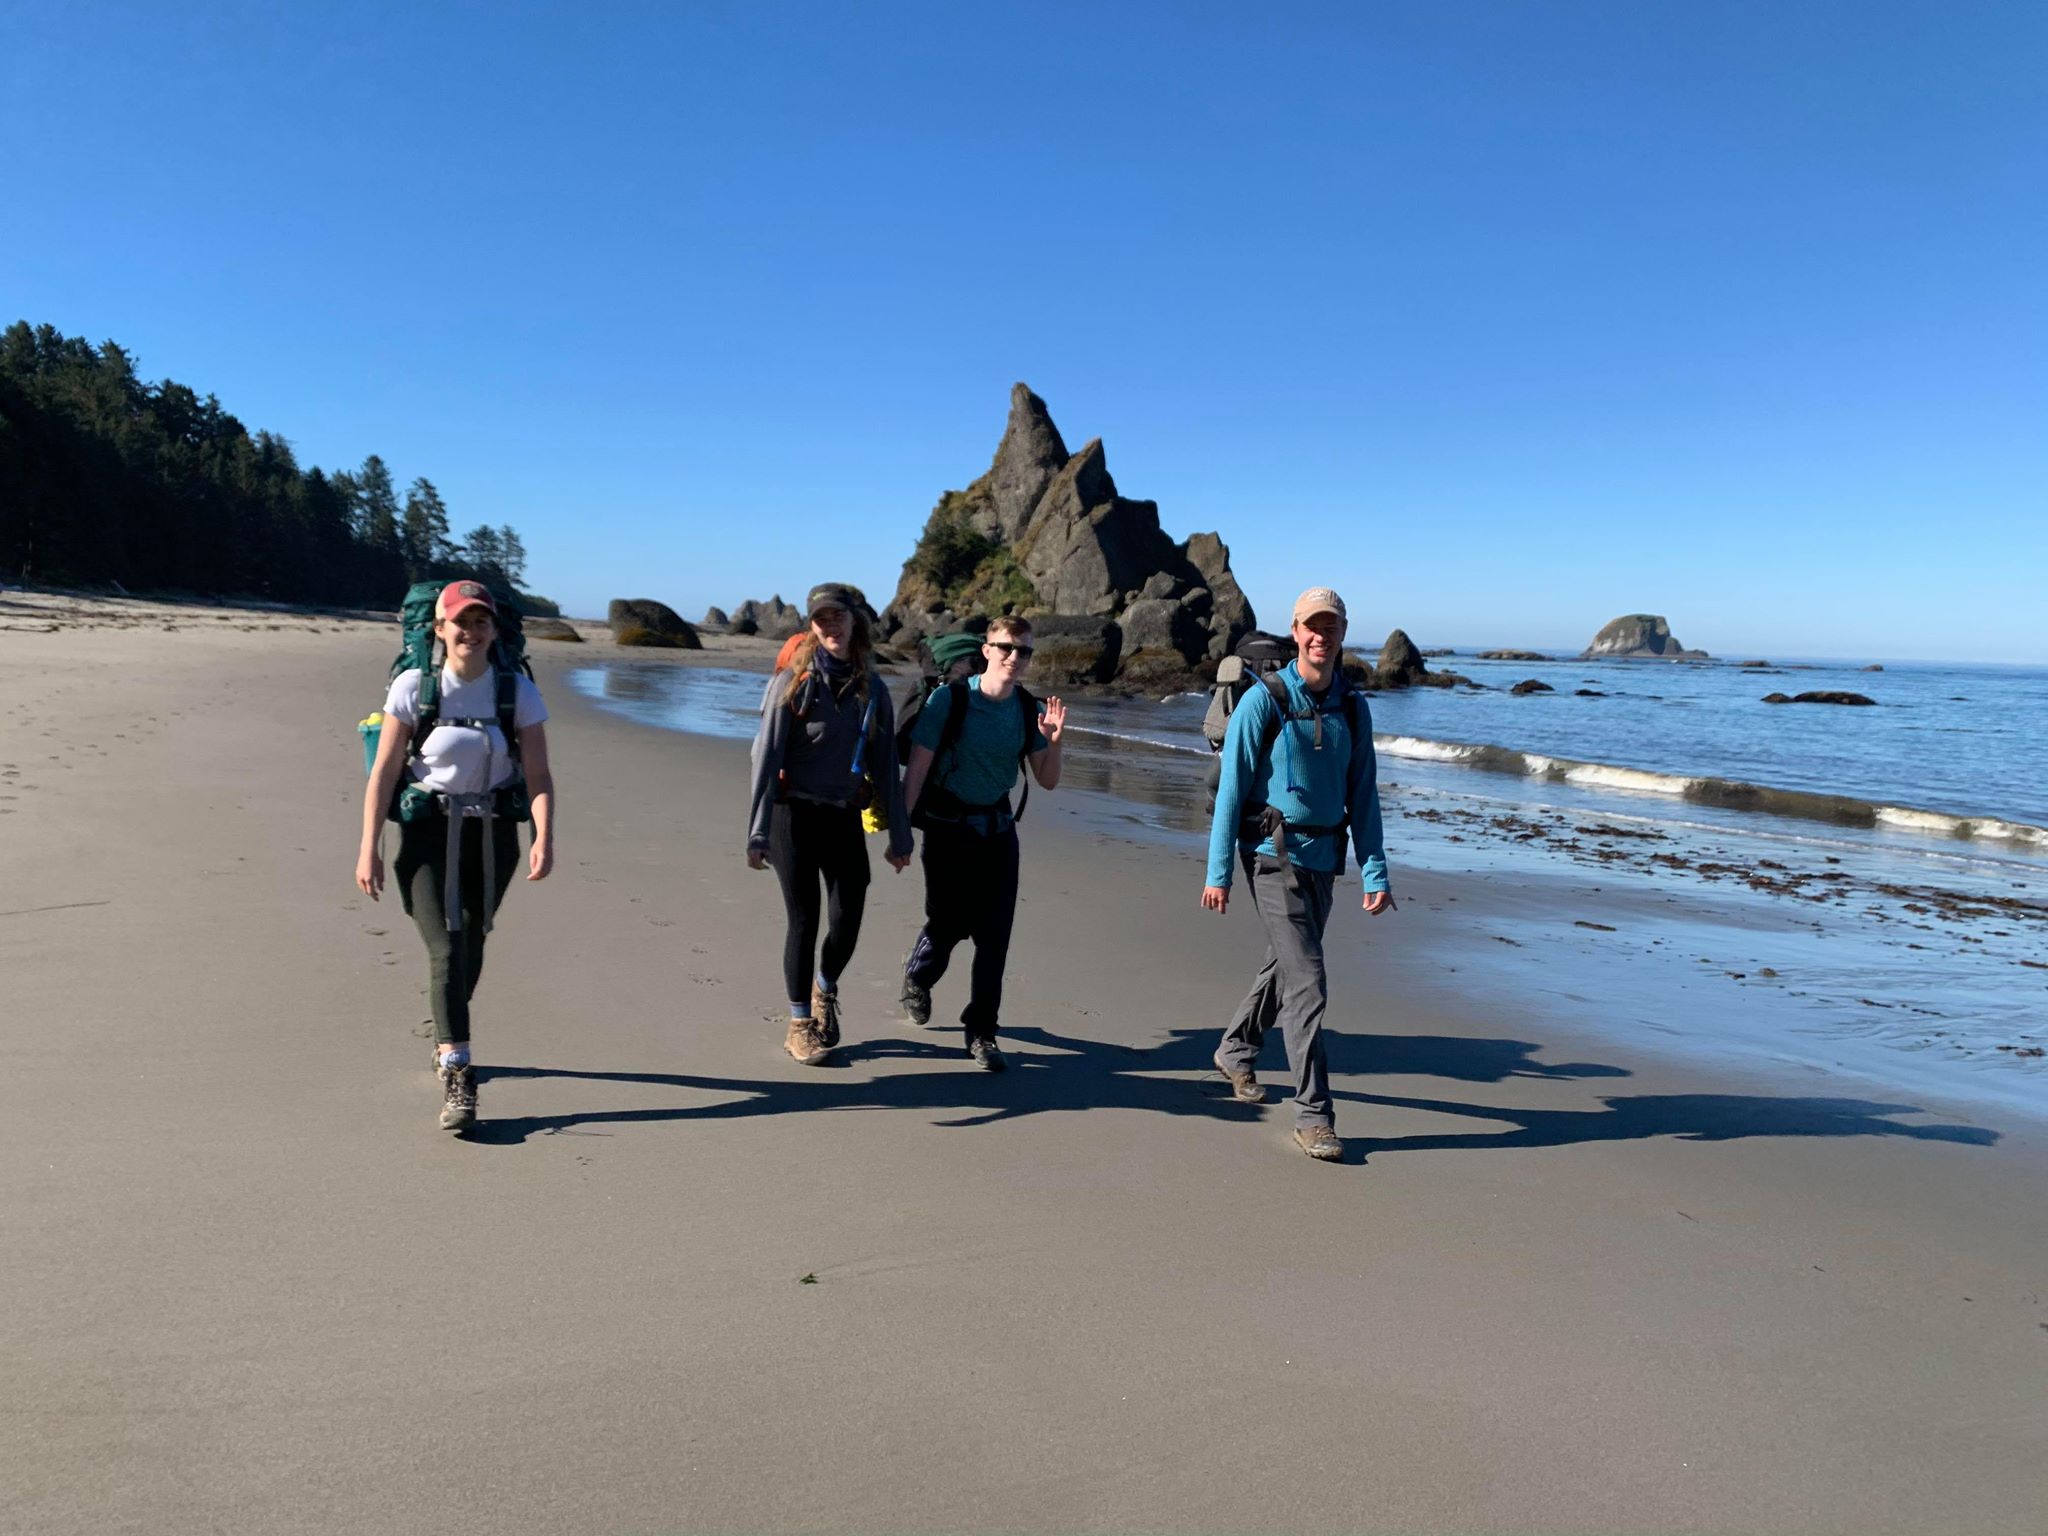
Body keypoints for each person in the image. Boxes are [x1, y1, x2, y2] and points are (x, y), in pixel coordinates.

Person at [1200, 587, 1393, 1161]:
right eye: (1312, 626)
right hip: (1270, 855)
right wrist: (1218, 873)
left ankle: (1236, 1050)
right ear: (1296, 630)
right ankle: (1314, 1115)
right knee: (1309, 982)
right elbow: (1232, 787)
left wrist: (1375, 872)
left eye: (1330, 627)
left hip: (1324, 860)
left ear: (1341, 633)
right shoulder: (1265, 700)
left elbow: (1364, 797)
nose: (1320, 636)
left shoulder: (1353, 708)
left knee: (1286, 967)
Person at [357, 580, 556, 1132]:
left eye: (480, 622)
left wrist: (543, 835)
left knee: (472, 940)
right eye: (460, 622)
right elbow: (384, 773)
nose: (470, 632)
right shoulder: (414, 686)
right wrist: (368, 846)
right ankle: (458, 1070)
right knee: (445, 946)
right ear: (439, 629)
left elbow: (538, 775)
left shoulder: (517, 691)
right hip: (426, 838)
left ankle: (447, 1027)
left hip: (493, 839)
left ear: (494, 631)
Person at [747, 584, 913, 1064]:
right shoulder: (793, 683)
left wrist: (899, 836)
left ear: (855, 620)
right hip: (790, 814)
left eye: (837, 616)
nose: (830, 625)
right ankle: (799, 1024)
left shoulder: (872, 689)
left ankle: (825, 988)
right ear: (811, 626)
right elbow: (765, 758)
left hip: (841, 813)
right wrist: (756, 831)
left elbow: (884, 768)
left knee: (848, 914)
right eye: (820, 619)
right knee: (804, 917)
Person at [900, 615, 1067, 1071]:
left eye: (1025, 651)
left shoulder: (1026, 708)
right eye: (1007, 648)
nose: (1016, 658)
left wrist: (1052, 742)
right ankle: (918, 976)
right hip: (947, 826)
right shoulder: (950, 699)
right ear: (987, 650)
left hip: (997, 831)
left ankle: (983, 1033)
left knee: (994, 936)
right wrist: (901, 833)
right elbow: (917, 766)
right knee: (948, 921)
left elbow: (1047, 781)